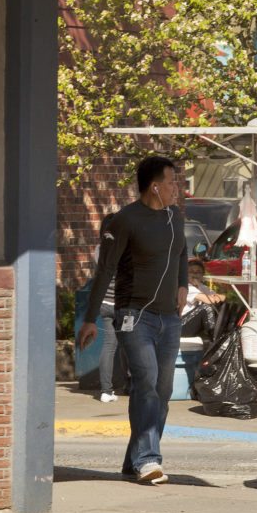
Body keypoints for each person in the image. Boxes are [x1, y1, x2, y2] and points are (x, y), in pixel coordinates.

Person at [77, 155, 188, 485]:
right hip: (133, 317)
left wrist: (182, 283)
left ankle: (133, 460)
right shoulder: (125, 221)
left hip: (169, 318)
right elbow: (105, 270)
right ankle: (148, 459)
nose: (176, 189)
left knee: (163, 391)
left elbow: (181, 252)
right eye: (171, 182)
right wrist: (89, 319)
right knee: (146, 382)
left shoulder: (175, 217)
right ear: (155, 186)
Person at [179, 259, 226, 389]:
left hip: (193, 326)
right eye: (192, 272)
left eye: (199, 272)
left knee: (218, 307)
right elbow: (208, 300)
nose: (196, 275)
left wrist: (215, 298)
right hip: (181, 325)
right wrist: (213, 298)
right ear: (186, 274)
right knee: (206, 307)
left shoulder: (201, 287)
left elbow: (222, 297)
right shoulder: (187, 287)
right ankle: (214, 340)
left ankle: (219, 336)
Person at [94, 213, 120, 403]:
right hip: (123, 306)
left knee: (110, 346)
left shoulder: (99, 249)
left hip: (105, 304)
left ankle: (106, 390)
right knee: (132, 345)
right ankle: (133, 385)